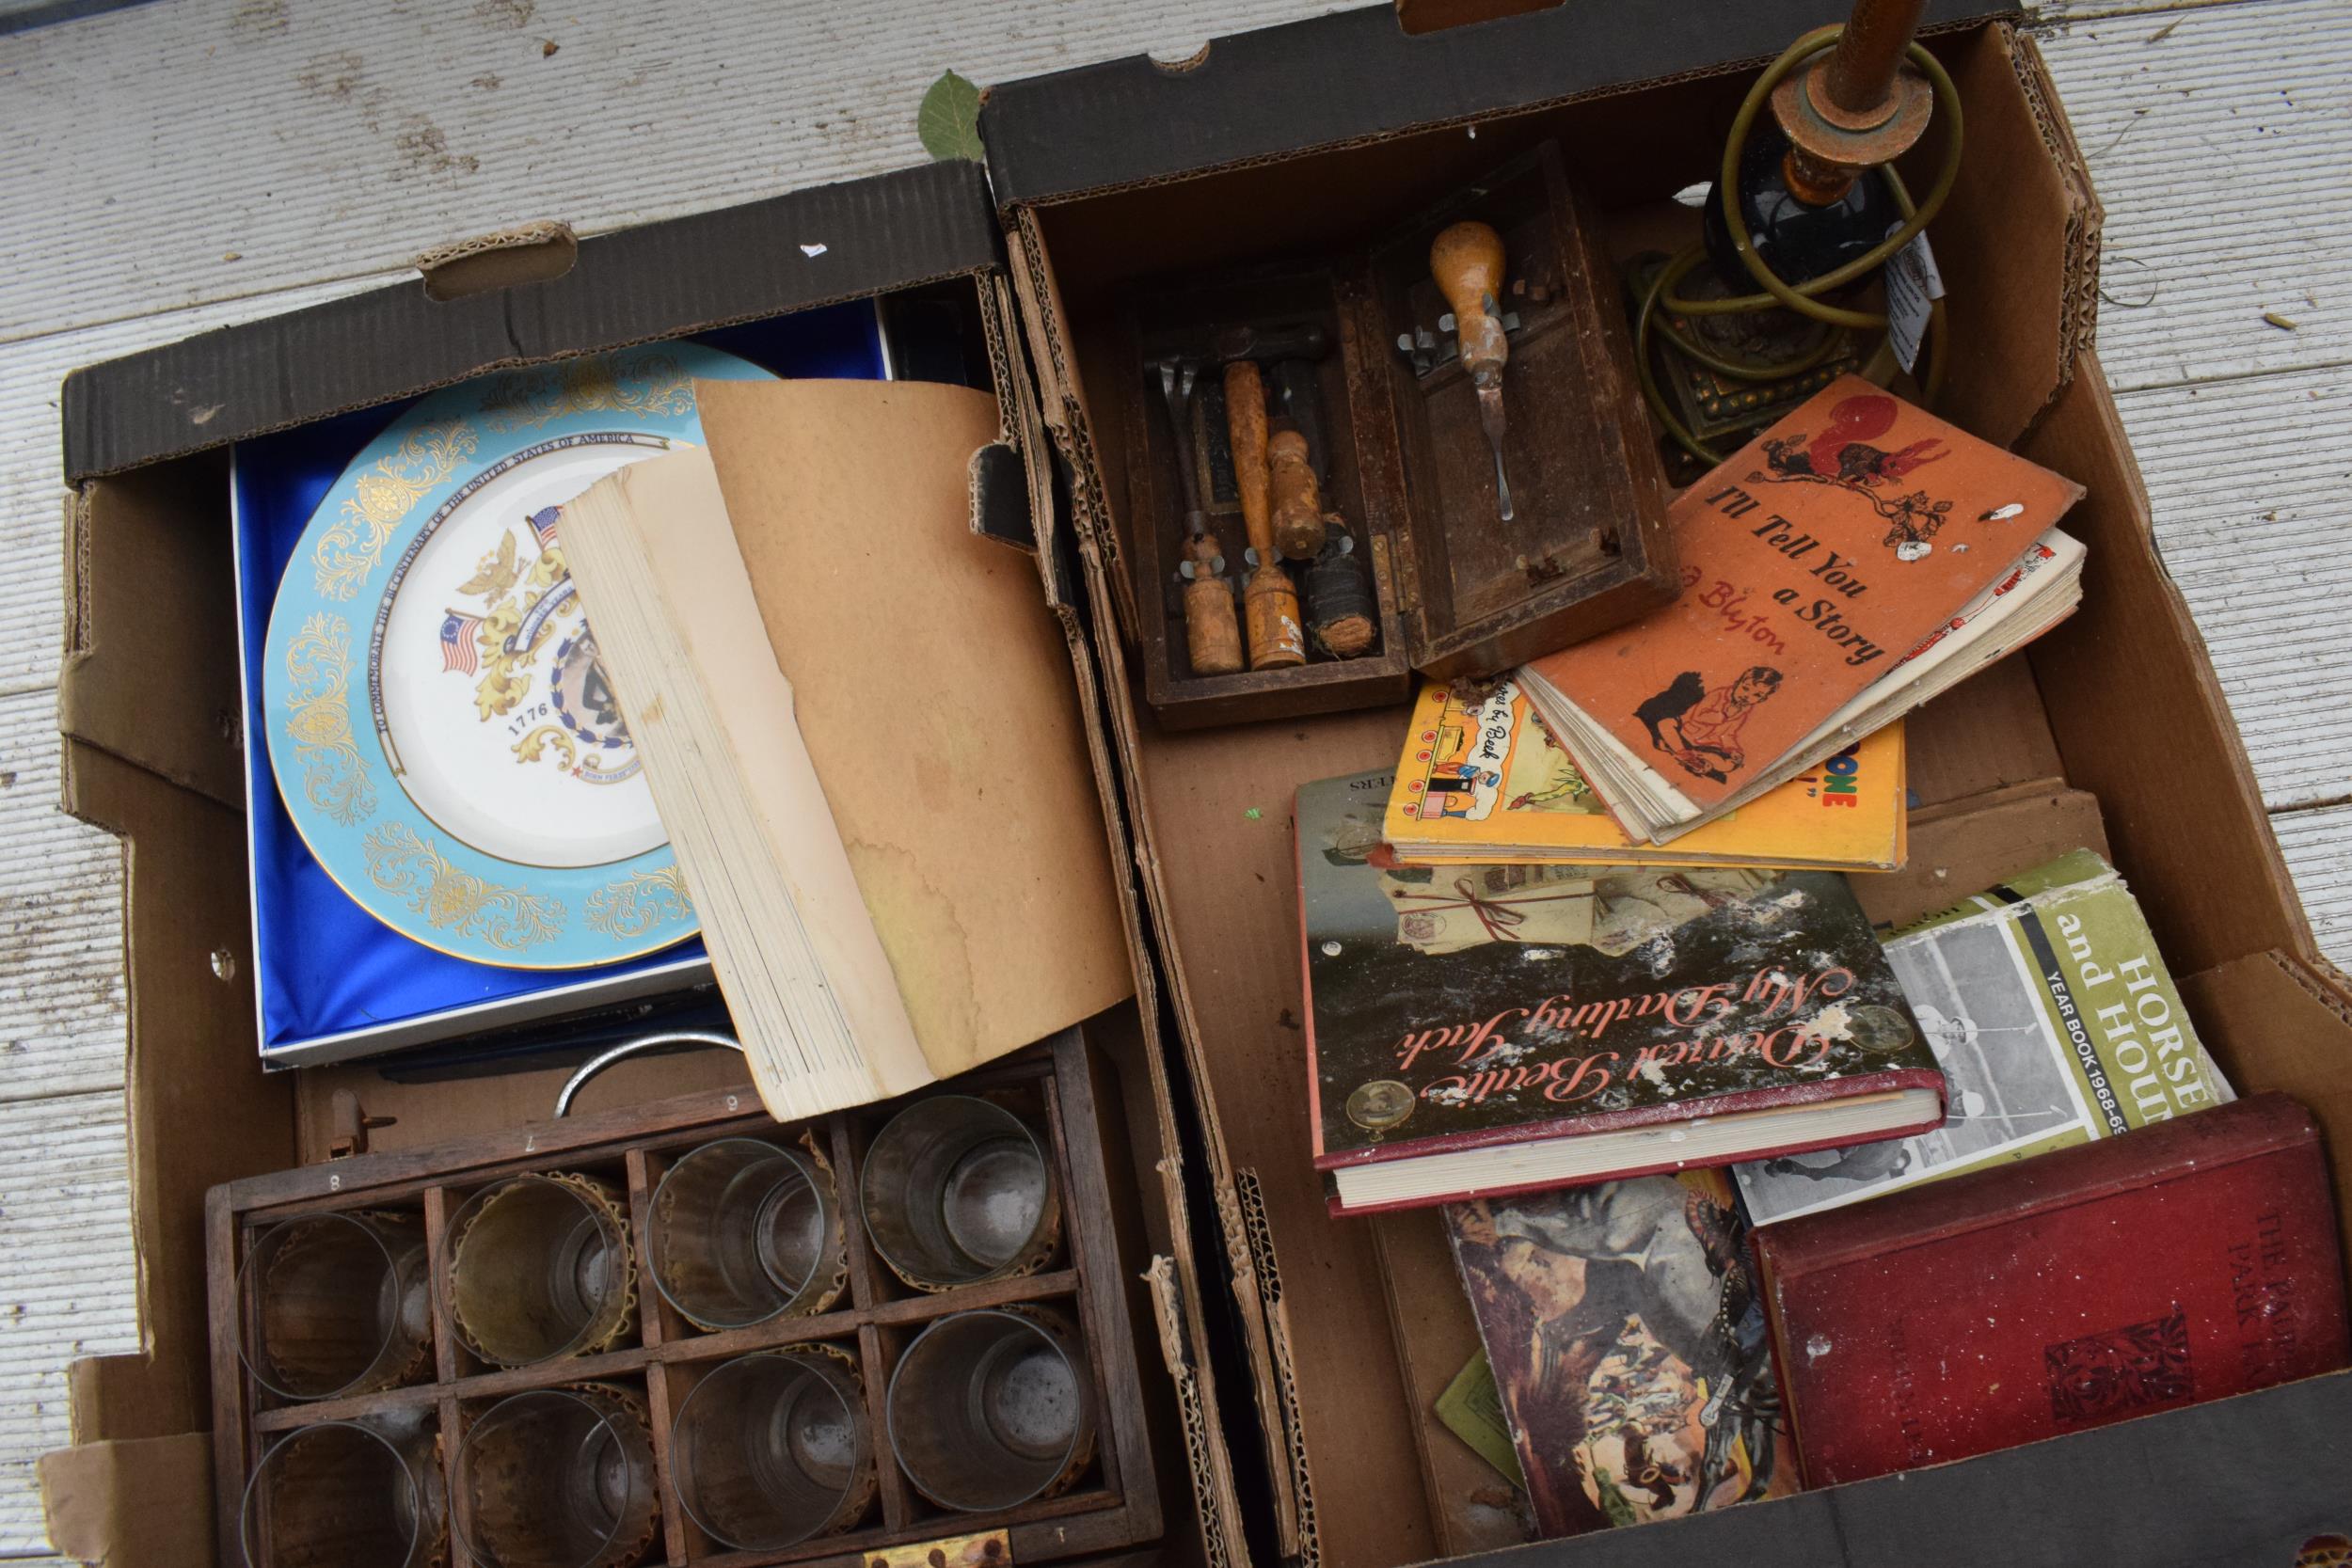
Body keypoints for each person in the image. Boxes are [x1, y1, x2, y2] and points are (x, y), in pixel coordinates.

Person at [1634, 667, 1783, 782]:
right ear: (1737, 684)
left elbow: (1728, 734)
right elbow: (1699, 715)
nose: (1747, 695)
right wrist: (1724, 715)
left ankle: (1696, 759)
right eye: (1745, 688)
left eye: (1756, 695)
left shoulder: (1744, 710)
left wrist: (1733, 750)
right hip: (1685, 730)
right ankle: (1681, 752)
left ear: (1762, 700)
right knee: (1666, 724)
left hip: (1703, 744)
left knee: (1729, 765)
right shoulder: (1719, 694)